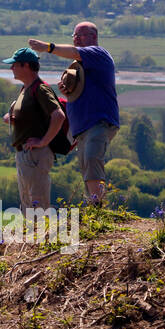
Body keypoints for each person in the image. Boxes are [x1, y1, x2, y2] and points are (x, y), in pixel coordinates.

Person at [28, 22, 120, 206]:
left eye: (82, 34)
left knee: (93, 160)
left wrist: (48, 47)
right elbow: (80, 89)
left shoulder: (97, 53)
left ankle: (97, 208)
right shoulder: (80, 64)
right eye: (75, 35)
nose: (77, 38)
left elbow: (74, 52)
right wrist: (67, 89)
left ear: (94, 37)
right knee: (87, 166)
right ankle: (94, 207)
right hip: (83, 127)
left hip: (98, 121)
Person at [1, 47, 65, 214]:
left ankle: (41, 237)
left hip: (35, 154)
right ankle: (32, 236)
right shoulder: (26, 89)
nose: (11, 68)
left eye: (14, 64)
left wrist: (43, 141)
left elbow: (58, 116)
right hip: (25, 153)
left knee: (37, 201)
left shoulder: (40, 89)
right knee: (28, 201)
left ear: (26, 66)